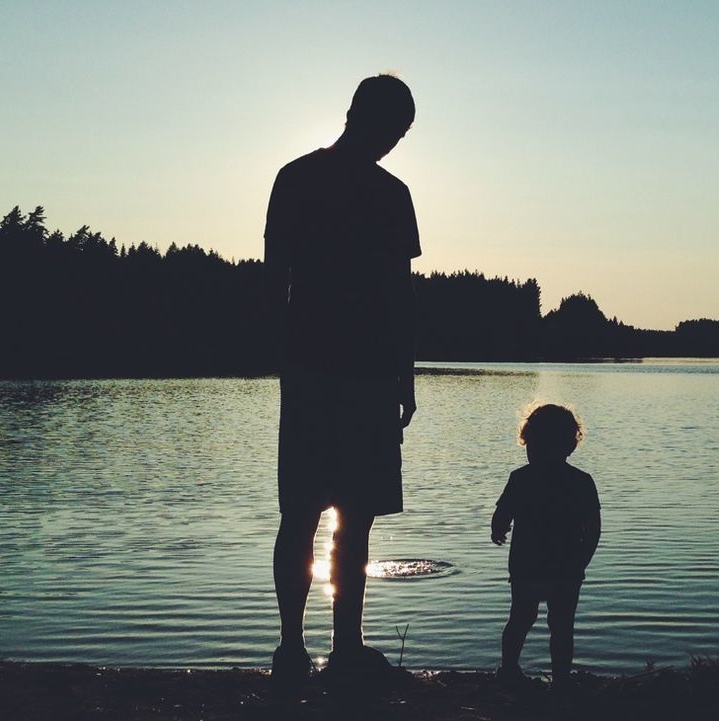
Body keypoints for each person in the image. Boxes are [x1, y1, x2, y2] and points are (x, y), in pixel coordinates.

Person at [263, 74, 419, 696]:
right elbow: (395, 294)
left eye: (401, 134)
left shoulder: (298, 177)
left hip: (338, 369)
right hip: (342, 370)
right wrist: (400, 371)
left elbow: (397, 293)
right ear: (359, 115)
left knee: (327, 514)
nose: (394, 143)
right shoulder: (370, 190)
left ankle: (323, 648)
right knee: (325, 514)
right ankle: (308, 646)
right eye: (393, 130)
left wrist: (403, 372)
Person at [490, 404, 601, 689]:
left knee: (524, 619)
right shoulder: (580, 482)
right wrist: (582, 560)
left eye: (538, 445)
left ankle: (513, 670)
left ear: (565, 447)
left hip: (537, 564)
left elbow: (502, 513)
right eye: (532, 446)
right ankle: (554, 677)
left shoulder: (523, 479)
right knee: (557, 624)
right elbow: (593, 529)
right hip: (561, 566)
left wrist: (499, 528)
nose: (534, 452)